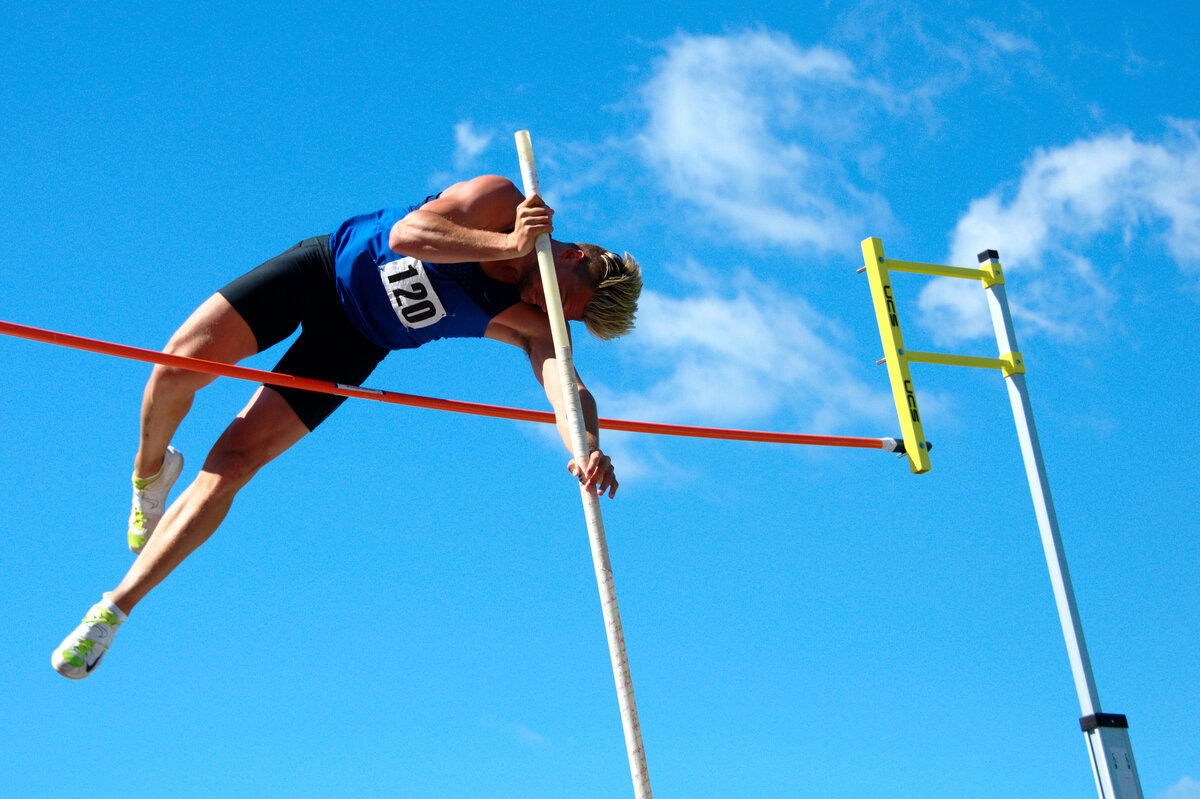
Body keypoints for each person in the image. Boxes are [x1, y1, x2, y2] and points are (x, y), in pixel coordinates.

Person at [52, 174, 642, 679]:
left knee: (234, 463)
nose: (543, 309)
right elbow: (408, 235)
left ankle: (112, 611)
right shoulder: (499, 201)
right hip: (322, 271)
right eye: (556, 297)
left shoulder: (532, 321)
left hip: (353, 344)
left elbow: (566, 385)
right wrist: (509, 241)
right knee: (175, 369)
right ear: (569, 257)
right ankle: (149, 473)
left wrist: (587, 446)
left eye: (556, 316)